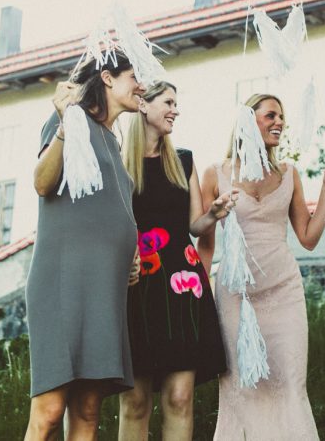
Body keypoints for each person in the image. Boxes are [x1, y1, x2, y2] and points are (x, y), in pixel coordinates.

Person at [192, 93, 325, 441]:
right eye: (271, 115)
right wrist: (197, 298)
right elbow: (204, 240)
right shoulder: (216, 174)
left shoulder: (288, 173)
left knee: (290, 382)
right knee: (241, 386)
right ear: (248, 121)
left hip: (284, 292)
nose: (280, 123)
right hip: (236, 296)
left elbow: (308, 237)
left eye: (281, 117)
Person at [25, 51, 145, 441]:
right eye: (134, 76)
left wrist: (130, 253)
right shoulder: (69, 120)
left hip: (104, 290)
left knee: (88, 409)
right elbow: (42, 183)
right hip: (63, 282)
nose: (141, 86)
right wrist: (64, 126)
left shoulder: (113, 142)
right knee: (49, 410)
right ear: (108, 78)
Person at [118, 81, 234, 441]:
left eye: (176, 103)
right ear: (143, 105)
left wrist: (213, 214)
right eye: (168, 102)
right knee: (135, 401)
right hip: (135, 286)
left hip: (183, 288)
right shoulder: (118, 164)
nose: (175, 110)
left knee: (180, 398)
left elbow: (195, 225)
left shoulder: (183, 161)